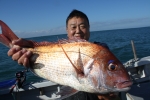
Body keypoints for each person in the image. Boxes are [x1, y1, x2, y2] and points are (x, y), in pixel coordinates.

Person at [7, 9, 120, 100]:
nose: (78, 31)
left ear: (89, 29)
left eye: (83, 26)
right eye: (73, 27)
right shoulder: (59, 48)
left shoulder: (100, 49)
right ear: (67, 30)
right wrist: (29, 56)